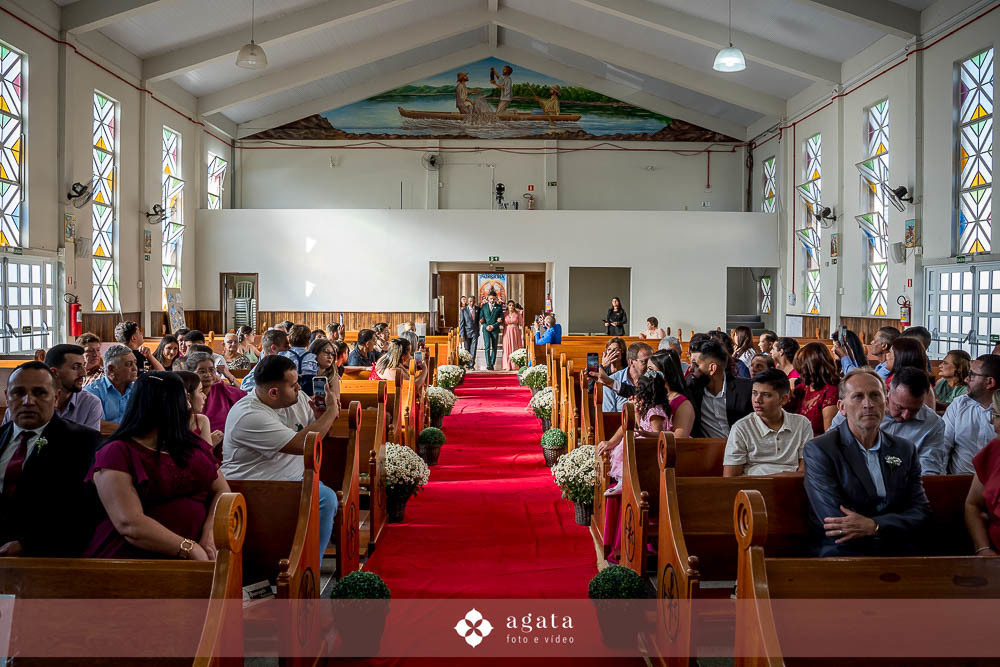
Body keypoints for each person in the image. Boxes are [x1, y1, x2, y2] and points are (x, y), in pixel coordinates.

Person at [84, 372, 229, 560]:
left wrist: (210, 533)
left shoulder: (188, 442)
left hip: (199, 551)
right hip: (137, 559)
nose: (187, 406)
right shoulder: (117, 452)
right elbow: (130, 523)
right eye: (182, 399)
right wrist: (188, 548)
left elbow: (222, 490)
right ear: (162, 407)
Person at [221, 355, 341, 562]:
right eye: (294, 385)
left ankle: (308, 565)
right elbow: (302, 445)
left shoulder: (297, 399)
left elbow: (317, 436)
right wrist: (331, 412)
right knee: (326, 499)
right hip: (255, 487)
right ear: (274, 392)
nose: (300, 389)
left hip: (294, 480)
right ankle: (308, 568)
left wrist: (322, 418)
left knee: (326, 497)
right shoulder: (248, 414)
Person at [803, 368, 931, 557]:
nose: (868, 404)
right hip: (844, 552)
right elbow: (835, 522)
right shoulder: (821, 450)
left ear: (885, 402)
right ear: (841, 407)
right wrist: (894, 523)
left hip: (899, 548)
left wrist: (875, 526)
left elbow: (921, 513)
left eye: (875, 396)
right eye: (857, 397)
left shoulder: (904, 449)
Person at [0, 362, 101, 557]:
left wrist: (27, 545)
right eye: (18, 393)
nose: (28, 401)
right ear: (7, 397)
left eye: (40, 393)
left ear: (56, 398)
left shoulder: (84, 442)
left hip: (49, 556)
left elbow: (86, 512)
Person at [829, 367, 947, 475]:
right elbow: (829, 445)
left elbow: (929, 471)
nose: (905, 416)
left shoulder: (933, 424)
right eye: (899, 407)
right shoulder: (859, 409)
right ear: (887, 391)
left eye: (914, 410)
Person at [723, 368, 812, 477]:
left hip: (792, 487)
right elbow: (730, 478)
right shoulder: (741, 428)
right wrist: (772, 479)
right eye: (754, 393)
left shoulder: (801, 424)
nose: (757, 400)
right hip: (753, 489)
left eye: (766, 395)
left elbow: (805, 472)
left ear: (784, 399)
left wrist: (778, 479)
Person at [942, 354, 1000, 474]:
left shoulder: (998, 412)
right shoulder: (959, 404)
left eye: (971, 375)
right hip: (958, 482)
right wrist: (940, 481)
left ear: (989, 382)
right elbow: (943, 445)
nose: (966, 379)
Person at [687, 340, 752, 438]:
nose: (690, 369)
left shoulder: (746, 390)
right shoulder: (691, 388)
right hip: (706, 450)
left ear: (712, 368)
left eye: (695, 365)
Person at [964, 390, 1000, 556]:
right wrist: (983, 548)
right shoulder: (994, 450)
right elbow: (973, 505)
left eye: (997, 415)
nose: (992, 422)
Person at [186, 351, 246, 435]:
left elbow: (248, 399)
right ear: (191, 373)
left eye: (211, 370)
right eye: (202, 371)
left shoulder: (222, 389)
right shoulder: (186, 396)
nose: (208, 375)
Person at [85, 344, 138, 435]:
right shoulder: (92, 392)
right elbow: (99, 426)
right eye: (129, 364)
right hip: (105, 444)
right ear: (111, 369)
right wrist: (133, 430)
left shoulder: (138, 390)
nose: (135, 368)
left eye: (135, 363)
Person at [790, 342, 841, 436]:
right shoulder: (804, 387)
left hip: (815, 446)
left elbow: (829, 434)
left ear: (810, 367)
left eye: (801, 369)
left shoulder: (831, 391)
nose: (799, 373)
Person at [600, 342, 653, 413]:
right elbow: (610, 417)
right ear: (631, 362)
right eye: (645, 361)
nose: (650, 365)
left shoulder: (654, 378)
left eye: (651, 360)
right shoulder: (611, 382)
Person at [884, 336, 935, 409]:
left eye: (890, 352)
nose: (887, 355)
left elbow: (925, 416)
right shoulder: (893, 378)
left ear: (901, 357)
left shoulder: (919, 386)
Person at [177, 370, 218, 451]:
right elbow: (207, 458)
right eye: (200, 391)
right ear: (187, 396)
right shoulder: (200, 420)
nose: (204, 397)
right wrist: (210, 444)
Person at [308, 338, 342, 406]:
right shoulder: (304, 373)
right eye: (327, 352)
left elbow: (335, 403)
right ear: (315, 352)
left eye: (333, 354)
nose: (330, 356)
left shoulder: (333, 377)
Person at [479, 291, 504, 371]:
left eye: (493, 299)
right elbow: (481, 318)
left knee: (494, 347)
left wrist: (493, 326)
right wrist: (486, 326)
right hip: (486, 329)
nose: (492, 300)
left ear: (496, 298)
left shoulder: (499, 307)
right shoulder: (484, 306)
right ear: (488, 298)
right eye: (490, 298)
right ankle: (488, 363)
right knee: (487, 346)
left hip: (495, 329)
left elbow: (501, 319)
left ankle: (492, 364)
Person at [501, 300, 524, 371]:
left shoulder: (517, 314)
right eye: (510, 305)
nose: (511, 306)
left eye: (512, 305)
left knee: (515, 347)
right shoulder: (504, 314)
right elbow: (502, 323)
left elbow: (521, 324)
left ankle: (515, 365)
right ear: (507, 306)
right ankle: (507, 365)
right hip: (507, 331)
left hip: (515, 331)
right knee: (507, 347)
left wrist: (522, 334)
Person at [459, 296, 479, 370]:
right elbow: (461, 323)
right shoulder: (464, 311)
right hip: (466, 332)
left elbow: (480, 318)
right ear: (468, 301)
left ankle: (472, 365)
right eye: (470, 301)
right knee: (467, 349)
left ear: (475, 301)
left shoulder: (477, 309)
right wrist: (461, 335)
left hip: (475, 332)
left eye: (473, 301)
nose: (471, 303)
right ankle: (467, 364)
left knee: (473, 348)